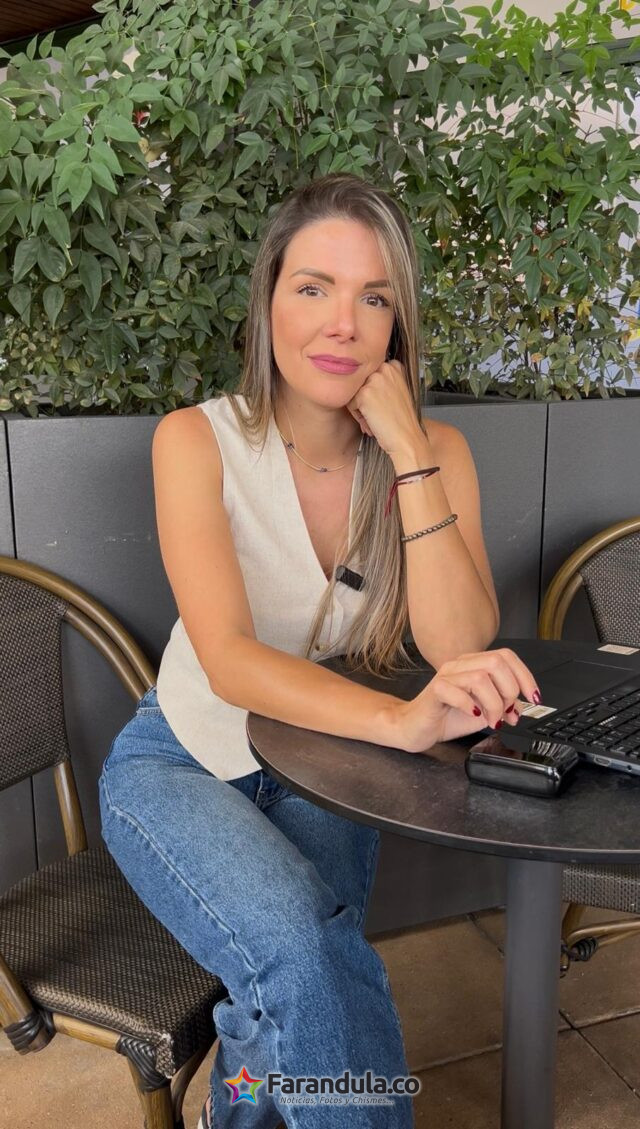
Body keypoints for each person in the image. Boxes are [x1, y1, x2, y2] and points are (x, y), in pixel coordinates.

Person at [98, 173, 541, 1129]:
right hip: (182, 761)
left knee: (280, 995)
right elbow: (228, 660)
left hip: (324, 760)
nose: (342, 322)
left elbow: (458, 642)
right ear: (268, 302)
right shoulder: (195, 441)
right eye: (313, 288)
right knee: (304, 951)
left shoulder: (437, 449)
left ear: (397, 324)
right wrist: (403, 722)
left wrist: (409, 453)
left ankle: (230, 1114)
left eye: (373, 297)